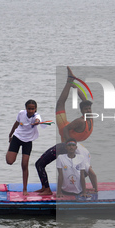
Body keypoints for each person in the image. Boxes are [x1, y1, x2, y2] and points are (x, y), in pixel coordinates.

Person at [35, 67, 95, 195]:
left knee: (41, 164)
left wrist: (74, 86)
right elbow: (67, 128)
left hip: (67, 142)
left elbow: (83, 99)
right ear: (82, 111)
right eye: (86, 109)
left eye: (89, 109)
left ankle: (50, 189)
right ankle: (62, 188)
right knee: (60, 104)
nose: (89, 111)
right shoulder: (84, 121)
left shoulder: (86, 119)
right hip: (69, 140)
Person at [6, 99, 42, 195]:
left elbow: (38, 120)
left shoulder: (36, 116)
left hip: (28, 141)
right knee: (9, 161)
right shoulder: (21, 113)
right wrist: (10, 134)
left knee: (24, 165)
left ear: (35, 109)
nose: (30, 111)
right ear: (26, 108)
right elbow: (16, 123)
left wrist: (37, 122)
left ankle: (25, 189)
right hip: (17, 137)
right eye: (29, 109)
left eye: (32, 109)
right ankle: (11, 147)